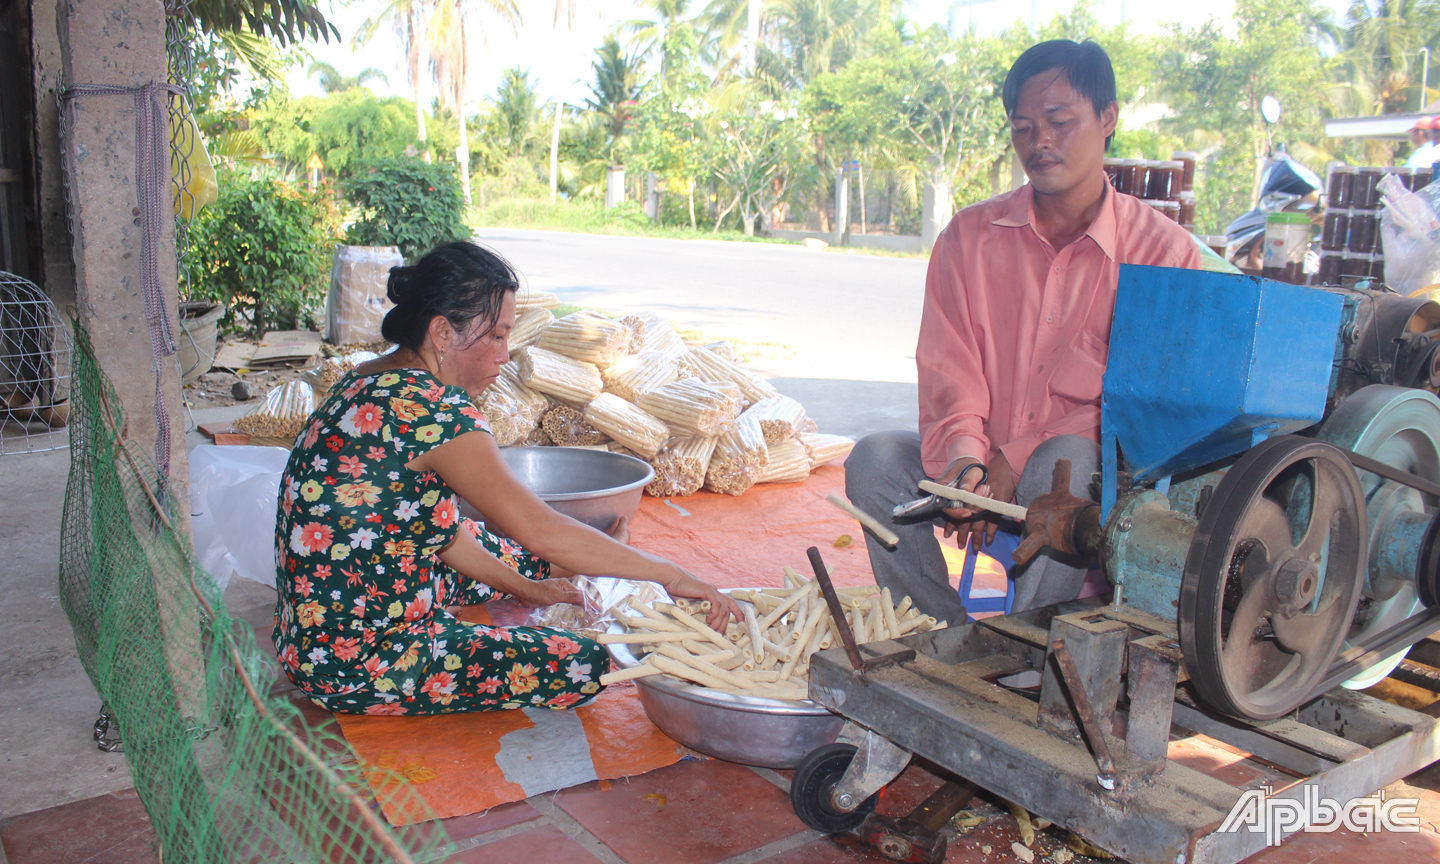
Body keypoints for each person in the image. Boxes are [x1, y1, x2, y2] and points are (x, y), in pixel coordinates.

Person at [273, 241, 740, 715]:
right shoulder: (436, 414)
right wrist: (670, 575)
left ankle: (597, 558)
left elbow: (443, 534)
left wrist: (528, 589)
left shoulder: (361, 380)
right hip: (361, 663)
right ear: (441, 333)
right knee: (593, 661)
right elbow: (541, 529)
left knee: (492, 542)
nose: (505, 355)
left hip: (316, 635)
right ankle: (598, 557)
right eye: (496, 336)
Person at [845, 40, 1203, 624]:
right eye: (1023, 127)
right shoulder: (967, 239)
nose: (1040, 142)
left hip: (1087, 495)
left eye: (1060, 122)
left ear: (1107, 118)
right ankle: (937, 638)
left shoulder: (1163, 256)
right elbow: (949, 372)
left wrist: (1010, 462)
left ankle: (1040, 653)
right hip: (978, 464)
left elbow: (1136, 413)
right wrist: (968, 471)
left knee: (1064, 457)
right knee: (874, 461)